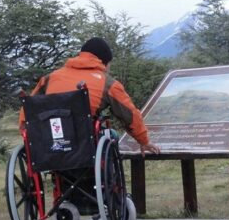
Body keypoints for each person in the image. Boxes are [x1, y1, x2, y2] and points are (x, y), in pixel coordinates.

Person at [19, 37, 160, 157]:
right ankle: (112, 185)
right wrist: (143, 141)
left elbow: (29, 106)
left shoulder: (50, 78)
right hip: (85, 146)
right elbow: (130, 114)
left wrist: (26, 132)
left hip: (52, 142)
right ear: (104, 61)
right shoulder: (107, 82)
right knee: (112, 135)